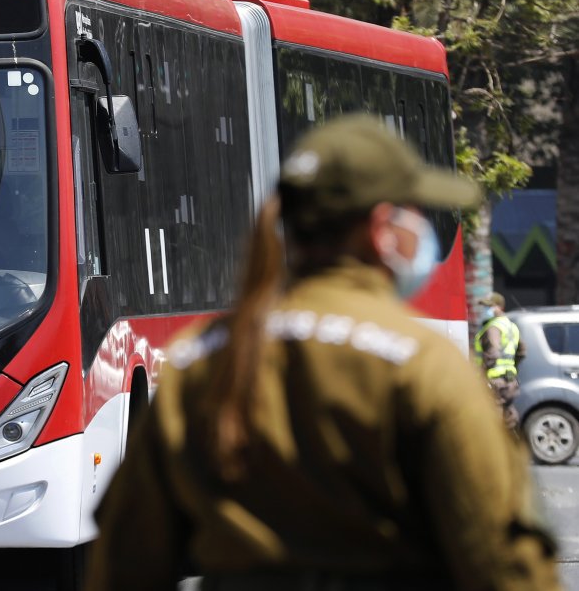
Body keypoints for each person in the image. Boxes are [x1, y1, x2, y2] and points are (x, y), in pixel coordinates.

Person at [84, 115, 559, 591]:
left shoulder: (199, 361)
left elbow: (123, 564)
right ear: (382, 230)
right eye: (416, 213)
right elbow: (508, 569)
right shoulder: (425, 367)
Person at [475, 291, 525, 431]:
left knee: (493, 422)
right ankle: (514, 447)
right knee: (508, 416)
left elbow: (493, 354)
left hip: (495, 381)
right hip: (509, 381)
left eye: (488, 306)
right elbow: (522, 351)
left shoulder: (493, 327)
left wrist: (480, 374)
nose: (485, 310)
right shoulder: (511, 326)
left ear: (499, 307)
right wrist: (510, 367)